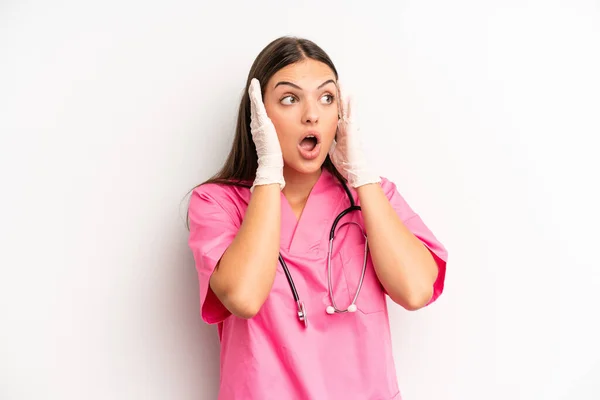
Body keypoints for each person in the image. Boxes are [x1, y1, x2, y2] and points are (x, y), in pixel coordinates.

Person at [187, 36, 448, 400]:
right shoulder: (217, 203)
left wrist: (362, 176)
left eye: (326, 98)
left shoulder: (371, 197)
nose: (312, 114)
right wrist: (268, 174)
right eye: (290, 99)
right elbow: (243, 298)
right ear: (259, 116)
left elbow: (416, 290)